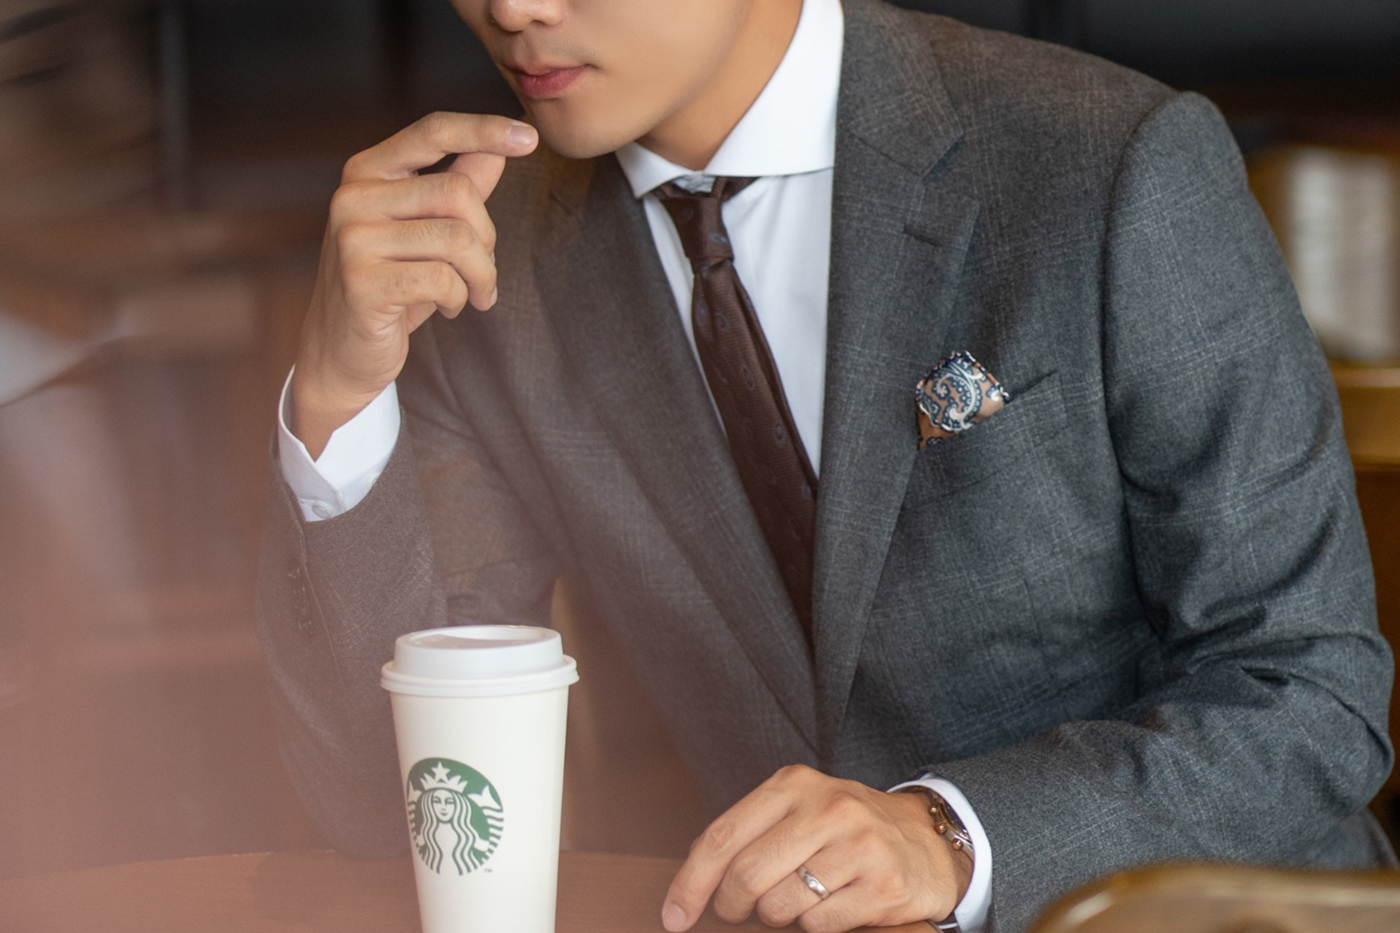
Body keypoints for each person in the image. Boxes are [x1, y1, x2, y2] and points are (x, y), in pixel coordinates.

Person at [255, 0, 1395, 931]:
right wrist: (339, 399)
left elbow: (1310, 696)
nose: (512, 10)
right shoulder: (480, 254)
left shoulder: (1106, 160)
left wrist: (952, 836)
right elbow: (398, 812)